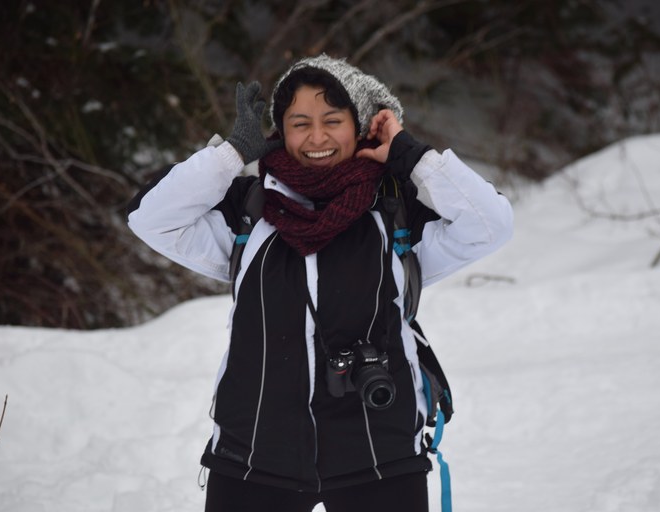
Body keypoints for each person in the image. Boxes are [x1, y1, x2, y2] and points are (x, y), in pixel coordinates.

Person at [127, 54, 513, 512]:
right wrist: (231, 155)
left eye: (333, 120)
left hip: (378, 451)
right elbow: (151, 217)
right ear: (280, 130)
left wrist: (409, 155)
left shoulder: (395, 210)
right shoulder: (250, 209)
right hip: (253, 453)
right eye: (299, 122)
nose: (316, 137)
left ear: (360, 125)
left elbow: (491, 223)